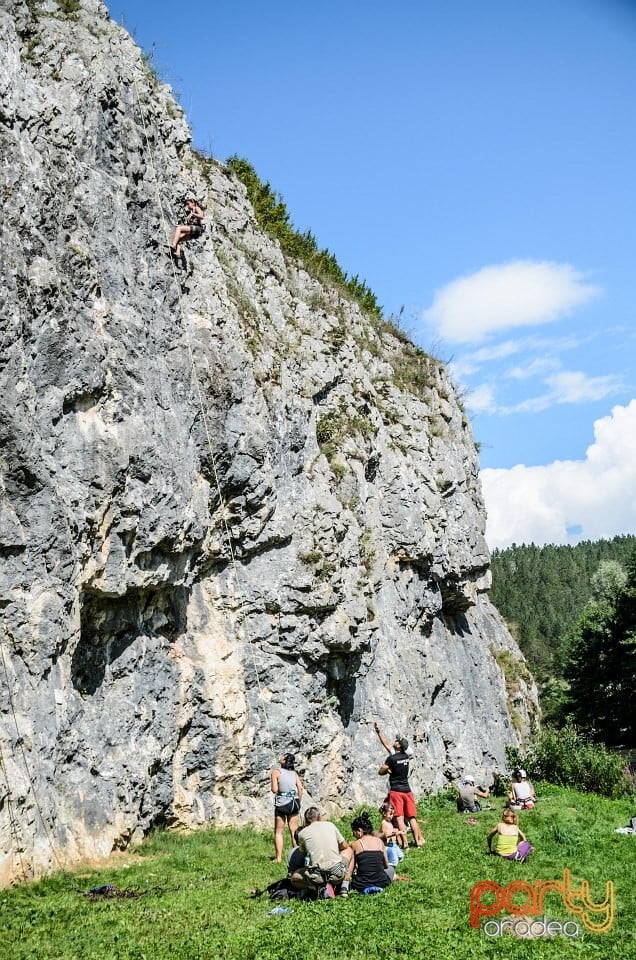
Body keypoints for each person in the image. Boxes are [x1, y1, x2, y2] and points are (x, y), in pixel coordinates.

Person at [374, 721, 425, 847]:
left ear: (399, 746)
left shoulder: (392, 758)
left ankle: (405, 844)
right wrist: (379, 731)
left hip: (396, 791)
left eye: (397, 742)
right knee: (412, 817)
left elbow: (380, 772)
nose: (394, 742)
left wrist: (386, 769)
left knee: (400, 818)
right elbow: (386, 743)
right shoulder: (406, 756)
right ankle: (418, 841)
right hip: (407, 790)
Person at [290, 807, 353, 898]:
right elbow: (345, 846)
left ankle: (317, 888)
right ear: (319, 817)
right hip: (337, 874)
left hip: (316, 877)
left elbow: (303, 854)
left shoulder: (302, 833)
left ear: (306, 820)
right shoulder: (330, 825)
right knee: (349, 850)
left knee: (294, 878)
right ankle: (345, 885)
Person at [340, 811, 395, 897]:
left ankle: (344, 888)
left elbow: (350, 870)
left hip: (361, 884)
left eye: (354, 832)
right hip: (381, 882)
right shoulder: (380, 842)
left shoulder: (356, 844)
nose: (353, 835)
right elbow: (386, 865)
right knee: (391, 869)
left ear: (359, 831)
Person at [271, 753, 303, 863]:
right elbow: (300, 788)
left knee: (279, 832)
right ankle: (297, 856)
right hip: (294, 803)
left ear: (284, 760)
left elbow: (274, 790)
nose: (280, 757)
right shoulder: (294, 773)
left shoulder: (276, 772)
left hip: (282, 804)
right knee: (294, 831)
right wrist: (299, 800)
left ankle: (278, 858)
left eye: (282, 756)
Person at [170, 198, 206, 262]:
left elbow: (201, 216)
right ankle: (178, 253)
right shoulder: (190, 213)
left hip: (198, 228)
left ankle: (173, 245)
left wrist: (193, 214)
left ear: (193, 203)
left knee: (179, 229)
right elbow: (188, 226)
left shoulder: (196, 208)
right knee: (179, 238)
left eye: (188, 204)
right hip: (195, 232)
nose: (187, 206)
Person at [378, 800, 406, 864]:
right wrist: (395, 833)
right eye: (390, 814)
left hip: (394, 844)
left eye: (393, 814)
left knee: (401, 856)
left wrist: (399, 832)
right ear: (384, 814)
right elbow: (386, 835)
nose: (392, 816)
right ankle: (389, 865)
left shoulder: (389, 822)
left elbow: (391, 832)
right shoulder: (384, 823)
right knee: (394, 861)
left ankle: (392, 858)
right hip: (388, 845)